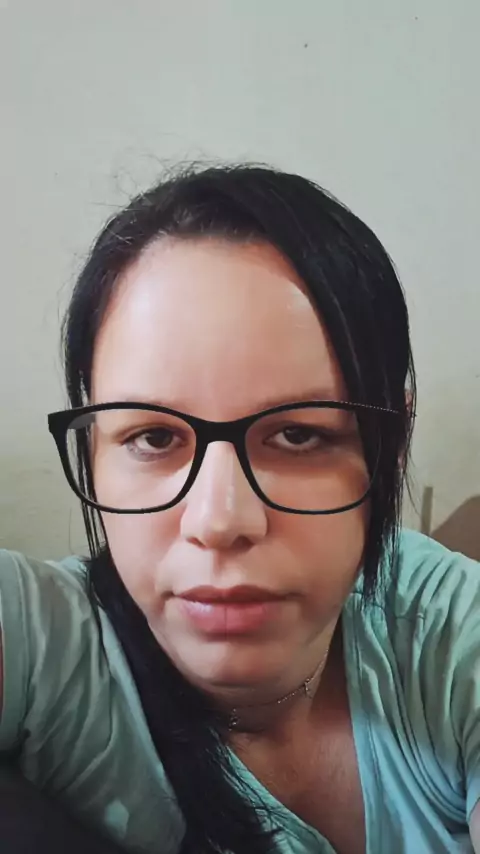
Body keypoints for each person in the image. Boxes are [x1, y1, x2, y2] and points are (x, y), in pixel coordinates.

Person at [1, 164, 479, 854]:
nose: (219, 521)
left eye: (298, 435)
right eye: (154, 437)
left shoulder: (447, 637)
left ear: (392, 447)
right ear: (94, 445)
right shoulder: (43, 643)